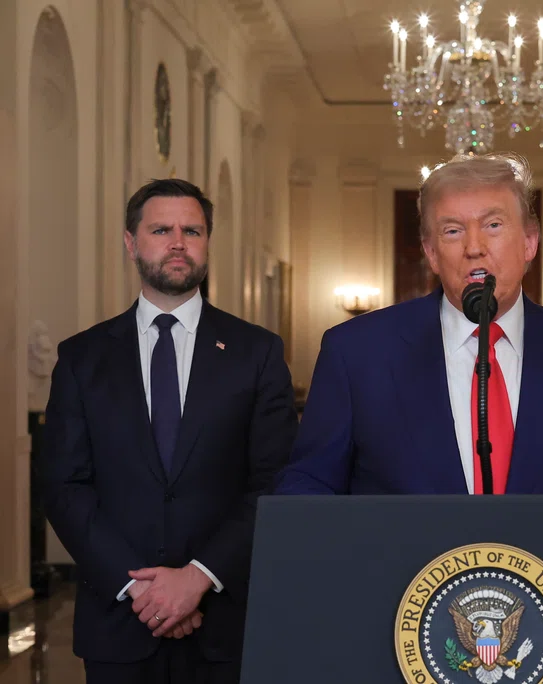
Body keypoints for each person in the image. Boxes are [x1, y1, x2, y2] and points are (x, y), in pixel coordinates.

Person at [275, 153, 543, 496]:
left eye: (493, 225)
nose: (474, 246)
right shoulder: (357, 353)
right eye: (452, 231)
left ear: (530, 242)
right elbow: (309, 485)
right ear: (431, 252)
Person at [43, 178, 299, 684]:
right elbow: (64, 486)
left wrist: (197, 578)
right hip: (119, 623)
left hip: (226, 625)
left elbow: (274, 481)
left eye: (192, 230)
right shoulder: (81, 358)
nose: (178, 242)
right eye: (161, 229)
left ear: (207, 242)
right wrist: (142, 590)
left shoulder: (257, 352)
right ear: (131, 242)